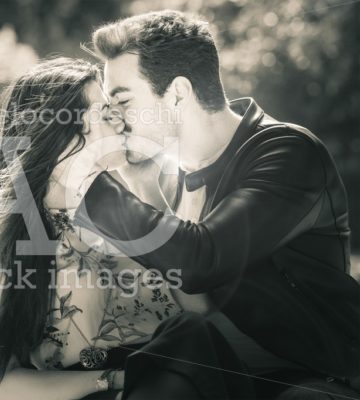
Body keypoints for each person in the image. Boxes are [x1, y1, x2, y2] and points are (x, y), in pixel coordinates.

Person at [67, 10, 360, 400]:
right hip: (212, 368)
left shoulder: (287, 153)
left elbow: (201, 259)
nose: (114, 119)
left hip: (308, 378)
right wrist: (141, 188)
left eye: (122, 100)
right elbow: (195, 305)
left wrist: (78, 176)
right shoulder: (171, 177)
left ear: (177, 93)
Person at [0, 57, 190, 400]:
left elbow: (200, 309)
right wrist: (114, 380)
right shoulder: (9, 236)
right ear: (62, 134)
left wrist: (148, 194)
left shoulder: (136, 206)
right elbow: (2, 385)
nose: (120, 119)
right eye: (105, 111)